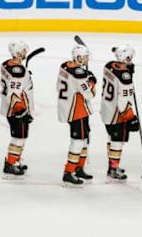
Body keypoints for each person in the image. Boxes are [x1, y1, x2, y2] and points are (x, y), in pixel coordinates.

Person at [57, 44, 97, 187]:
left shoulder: (64, 66)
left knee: (85, 138)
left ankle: (79, 168)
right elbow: (89, 94)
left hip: (70, 107)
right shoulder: (80, 74)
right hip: (76, 110)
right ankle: (68, 172)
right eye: (85, 57)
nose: (87, 59)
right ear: (78, 58)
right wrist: (91, 82)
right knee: (78, 140)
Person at [100, 45, 139, 182]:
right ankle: (113, 169)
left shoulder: (108, 66)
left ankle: (112, 166)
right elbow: (123, 101)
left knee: (112, 139)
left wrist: (126, 69)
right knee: (117, 141)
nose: (131, 60)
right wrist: (131, 117)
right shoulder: (125, 76)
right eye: (129, 57)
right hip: (118, 114)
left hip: (106, 109)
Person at [0, 41, 34, 178]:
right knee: (18, 137)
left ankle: (15, 160)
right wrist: (20, 110)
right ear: (18, 53)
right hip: (16, 110)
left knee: (22, 136)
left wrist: (25, 75)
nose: (25, 53)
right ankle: (10, 164)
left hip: (9, 107)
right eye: (23, 51)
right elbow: (14, 93)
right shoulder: (19, 73)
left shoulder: (6, 64)